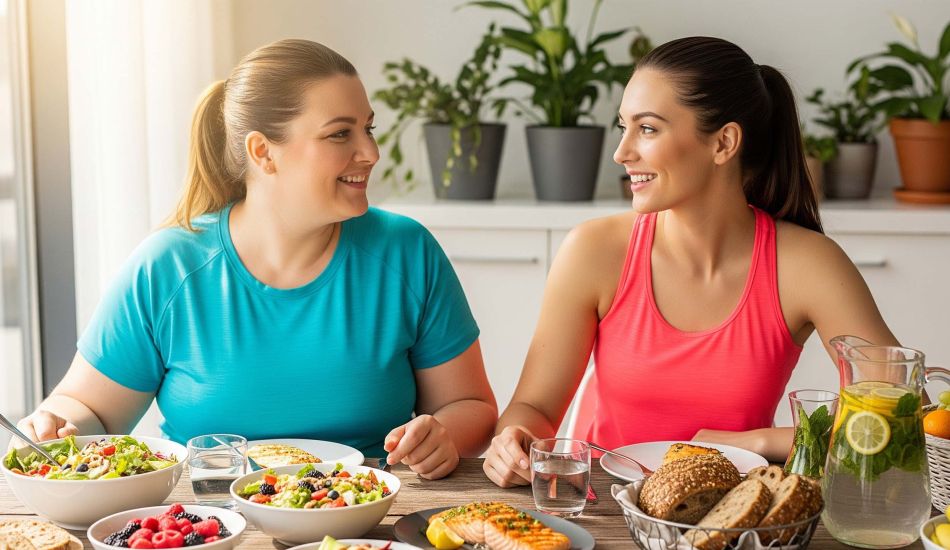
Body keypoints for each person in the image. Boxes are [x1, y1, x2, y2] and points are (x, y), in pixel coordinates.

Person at [17, 39, 497, 480]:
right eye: (339, 134)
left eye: (368, 128)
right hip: (209, 520)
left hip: (368, 517)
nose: (370, 152)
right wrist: (59, 424)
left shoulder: (406, 252)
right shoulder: (167, 268)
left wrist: (443, 436)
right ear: (263, 152)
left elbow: (469, 404)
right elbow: (90, 410)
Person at [483, 36, 899, 487]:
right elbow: (536, 409)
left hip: (738, 513)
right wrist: (514, 440)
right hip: (603, 506)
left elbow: (898, 407)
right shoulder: (593, 251)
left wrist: (762, 442)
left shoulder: (806, 266)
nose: (621, 153)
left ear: (723, 143)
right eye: (623, 127)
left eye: (647, 129)